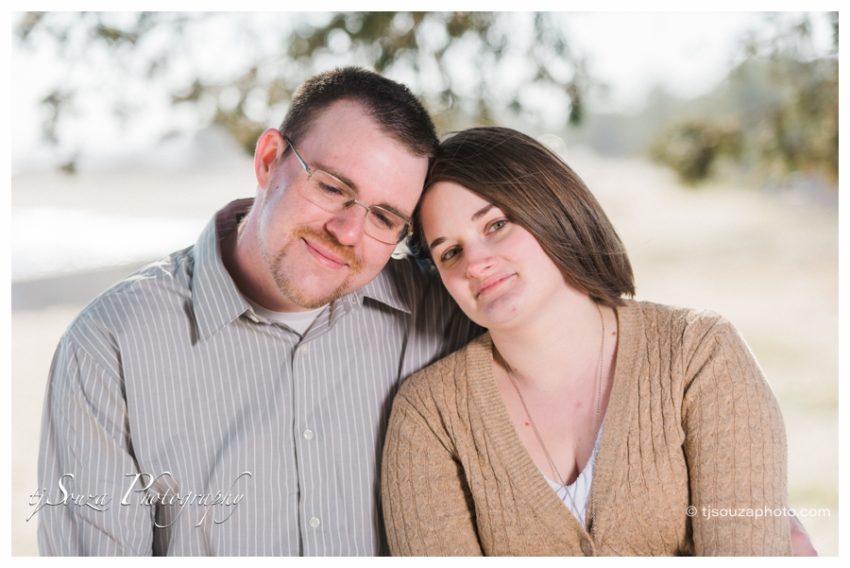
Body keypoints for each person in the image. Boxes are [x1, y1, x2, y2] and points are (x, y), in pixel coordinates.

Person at [36, 67, 479, 556]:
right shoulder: (108, 345)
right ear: (269, 160)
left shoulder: (448, 312)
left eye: (383, 217)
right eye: (332, 187)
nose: (348, 231)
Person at [381, 126, 800, 555]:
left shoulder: (699, 353)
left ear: (553, 210)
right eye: (450, 252)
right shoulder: (429, 415)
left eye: (497, 224)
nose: (476, 263)